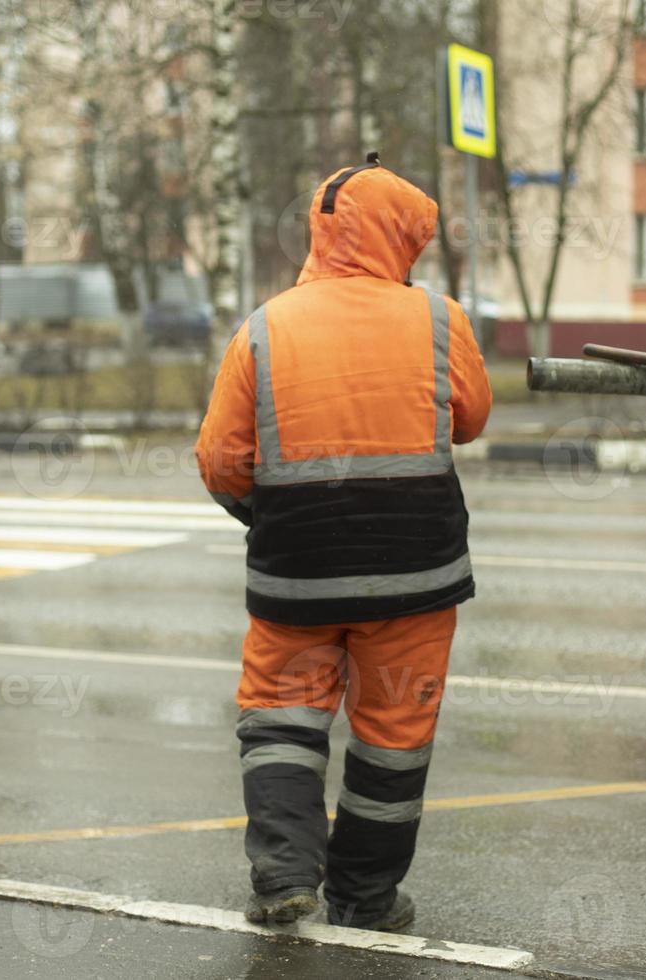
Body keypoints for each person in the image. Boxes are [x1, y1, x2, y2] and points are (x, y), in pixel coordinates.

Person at [195, 154, 493, 932]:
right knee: (393, 740)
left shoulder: (262, 329)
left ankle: (285, 877)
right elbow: (470, 418)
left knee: (281, 721)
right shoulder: (439, 318)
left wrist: (266, 516)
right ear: (400, 239)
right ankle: (366, 897)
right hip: (416, 579)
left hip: (296, 574)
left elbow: (221, 460)